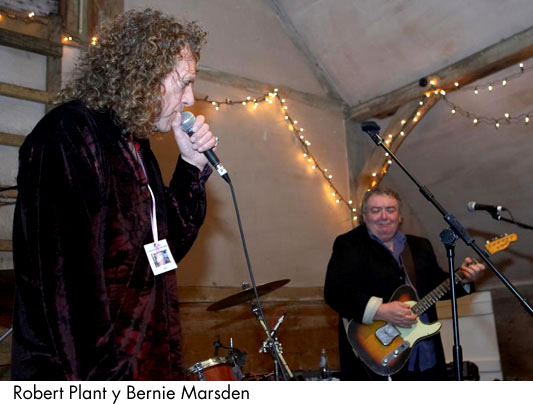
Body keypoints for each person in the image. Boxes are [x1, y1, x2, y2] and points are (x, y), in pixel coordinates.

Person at [11, 9, 216, 380]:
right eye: (184, 83)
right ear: (147, 75)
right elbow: (71, 298)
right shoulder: (69, 135)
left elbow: (164, 251)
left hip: (145, 364)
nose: (189, 99)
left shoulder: (135, 145)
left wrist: (190, 165)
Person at [324, 187, 485, 380]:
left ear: (399, 216)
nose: (384, 216)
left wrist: (464, 278)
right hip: (381, 356)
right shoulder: (349, 244)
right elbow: (335, 291)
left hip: (426, 354)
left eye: (390, 210)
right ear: (364, 216)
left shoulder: (419, 246)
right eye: (376, 210)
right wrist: (380, 310)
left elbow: (437, 285)